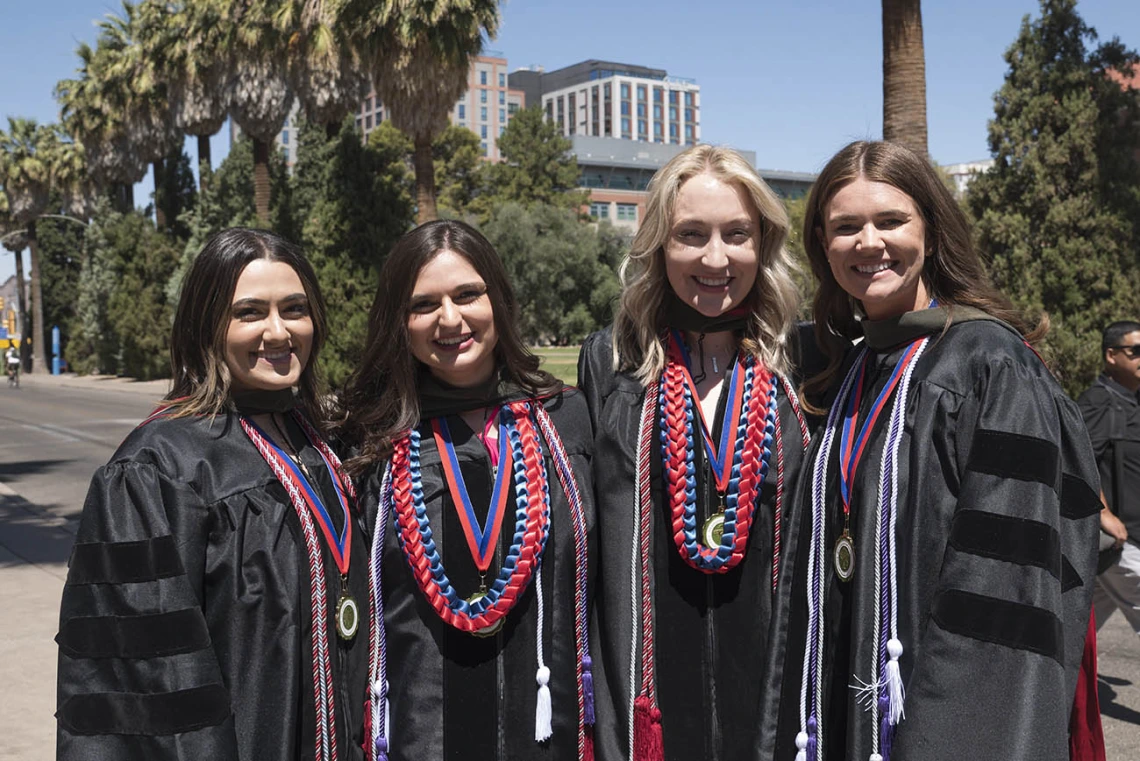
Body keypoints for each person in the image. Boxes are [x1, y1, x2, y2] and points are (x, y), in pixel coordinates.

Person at [762, 140, 1100, 761]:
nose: (868, 243)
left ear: (932, 230)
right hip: (845, 707)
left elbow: (1004, 594)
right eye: (845, 227)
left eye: (891, 221)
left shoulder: (990, 367)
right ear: (823, 246)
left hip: (947, 725)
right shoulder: (855, 369)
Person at [56, 228, 369, 761]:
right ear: (208, 326)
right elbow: (147, 677)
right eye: (250, 312)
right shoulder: (159, 468)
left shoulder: (325, 443)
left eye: (295, 308)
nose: (278, 331)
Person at [576, 144, 817, 761]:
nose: (716, 258)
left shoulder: (804, 362)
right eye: (691, 235)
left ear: (762, 242)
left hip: (774, 695)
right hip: (650, 697)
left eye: (737, 234)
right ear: (658, 243)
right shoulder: (611, 363)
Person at [340, 220, 596, 761]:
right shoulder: (369, 444)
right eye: (424, 304)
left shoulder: (563, 419)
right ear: (399, 321)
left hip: (549, 733)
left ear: (497, 299)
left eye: (467, 295)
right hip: (423, 735)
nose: (450, 319)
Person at [1078, 321, 1140, 634]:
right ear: (1112, 355)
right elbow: (1075, 457)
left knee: (1074, 636)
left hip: (1123, 545)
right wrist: (1103, 514)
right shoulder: (1099, 402)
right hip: (1123, 543)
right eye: (1136, 351)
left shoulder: (1133, 402)